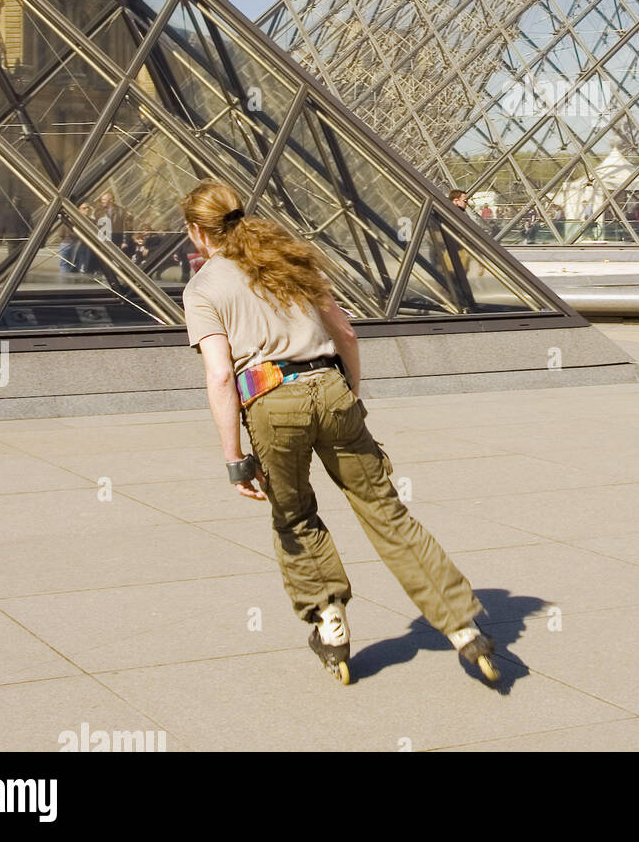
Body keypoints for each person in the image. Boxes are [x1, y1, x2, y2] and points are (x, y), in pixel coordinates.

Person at [181, 180, 500, 687]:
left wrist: (234, 457)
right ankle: (462, 627)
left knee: (294, 515)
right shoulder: (287, 258)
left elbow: (220, 375)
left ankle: (330, 624)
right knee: (386, 511)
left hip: (270, 400)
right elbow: (345, 332)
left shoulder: (202, 288)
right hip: (330, 386)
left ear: (197, 232)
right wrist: (350, 394)